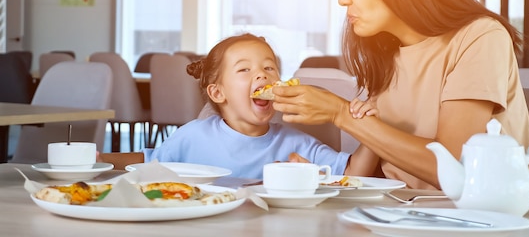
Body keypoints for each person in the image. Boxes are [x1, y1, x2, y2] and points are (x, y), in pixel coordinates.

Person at [271, 0, 529, 190]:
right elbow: (386, 173)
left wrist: (339, 113)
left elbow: (454, 168)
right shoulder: (384, 51)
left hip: (470, 223)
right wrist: (317, 178)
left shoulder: (480, 37)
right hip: (395, 216)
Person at [101, 33, 377, 179]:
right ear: (218, 92)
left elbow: (353, 173)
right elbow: (149, 162)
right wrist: (100, 160)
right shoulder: (194, 135)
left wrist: (373, 128)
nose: (262, 75)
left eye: (270, 67)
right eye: (244, 69)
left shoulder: (295, 143)